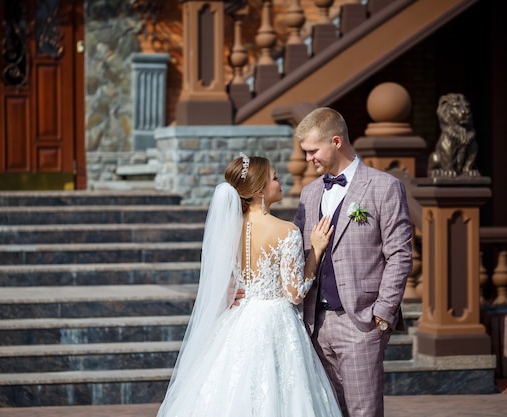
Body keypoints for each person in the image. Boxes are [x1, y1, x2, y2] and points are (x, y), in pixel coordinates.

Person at [156, 154, 343, 417]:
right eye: (275, 178)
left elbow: (222, 276)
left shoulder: (229, 229)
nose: (280, 182)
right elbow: (295, 294)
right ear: (259, 192)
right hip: (275, 320)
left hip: (240, 317)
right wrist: (317, 252)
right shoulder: (286, 231)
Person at [293, 107, 413, 417]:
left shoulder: (383, 187)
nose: (308, 159)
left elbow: (399, 254)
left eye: (312, 151)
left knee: (364, 412)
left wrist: (382, 315)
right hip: (314, 324)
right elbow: (294, 253)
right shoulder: (308, 194)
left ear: (336, 141)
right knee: (326, 411)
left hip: (360, 322)